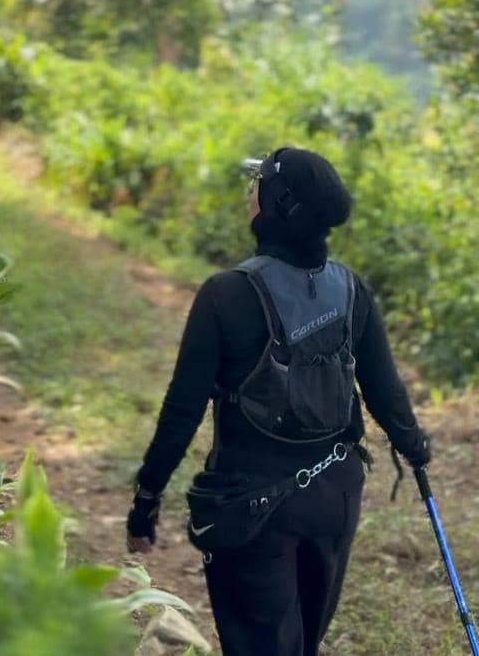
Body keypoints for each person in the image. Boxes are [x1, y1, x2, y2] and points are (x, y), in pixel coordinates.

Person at [126, 146, 430, 656]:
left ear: (278, 204)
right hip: (336, 494)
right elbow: (385, 390)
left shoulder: (226, 294)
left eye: (259, 185)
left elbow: (182, 410)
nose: (251, 194)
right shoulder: (352, 289)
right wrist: (414, 446)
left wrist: (147, 498)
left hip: (251, 503)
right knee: (302, 643)